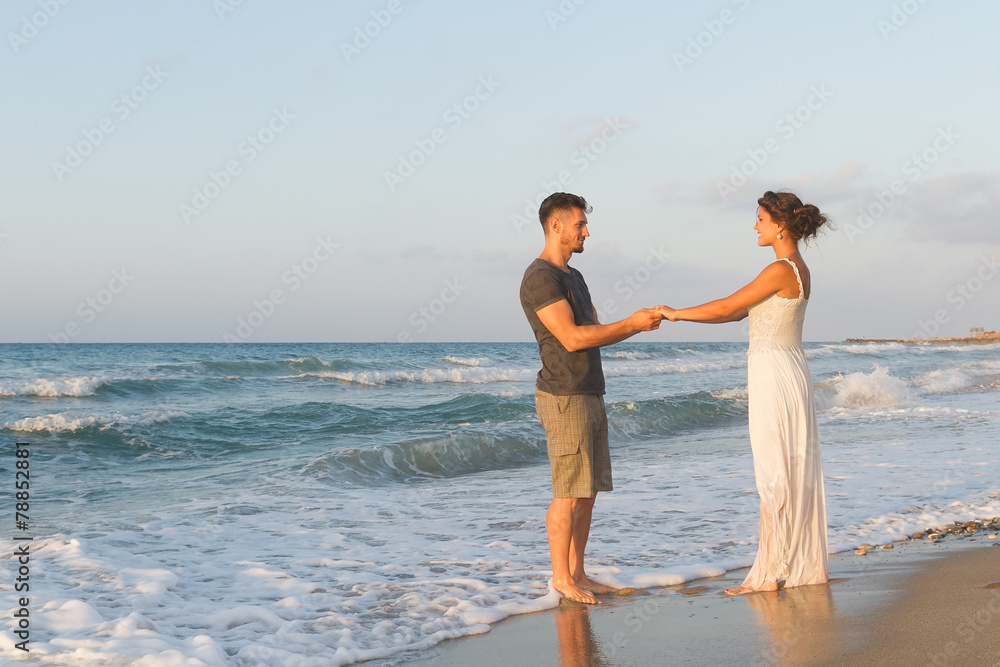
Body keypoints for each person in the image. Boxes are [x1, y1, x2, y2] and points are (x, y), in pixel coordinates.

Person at [657, 191, 830, 595]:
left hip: (773, 371)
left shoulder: (780, 269)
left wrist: (675, 313)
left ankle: (768, 575)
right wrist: (681, 315)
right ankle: (784, 564)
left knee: (773, 472)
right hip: (788, 368)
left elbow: (726, 307)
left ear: (780, 225)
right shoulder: (798, 267)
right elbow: (736, 312)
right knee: (786, 470)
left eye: (760, 219)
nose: (755, 226)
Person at [520, 192, 664, 605]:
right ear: (556, 226)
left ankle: (578, 572)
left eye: (585, 224)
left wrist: (635, 324)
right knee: (567, 491)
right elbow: (571, 337)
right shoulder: (540, 277)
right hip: (563, 395)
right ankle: (560, 579)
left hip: (590, 391)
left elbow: (596, 329)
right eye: (580, 224)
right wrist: (632, 324)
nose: (587, 231)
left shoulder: (574, 276)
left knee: (587, 491)